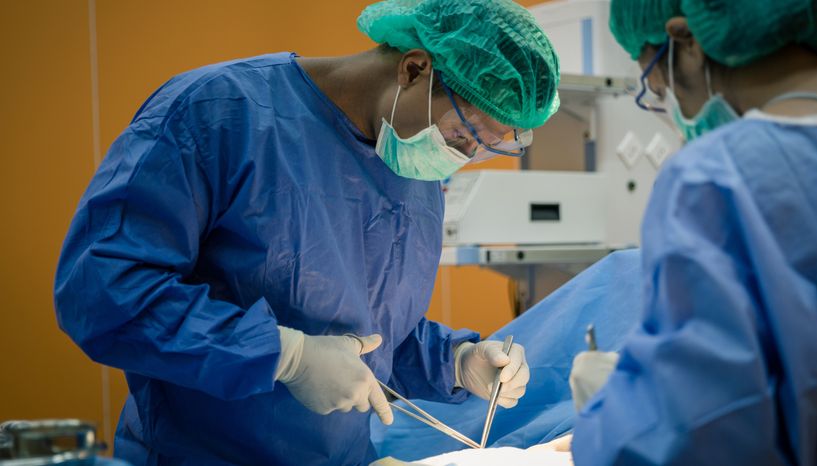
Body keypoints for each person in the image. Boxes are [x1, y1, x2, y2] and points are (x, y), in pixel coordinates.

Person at [53, 0, 558, 464]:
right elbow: (104, 292)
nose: (460, 158)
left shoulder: (411, 166)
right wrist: (284, 356)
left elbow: (368, 335)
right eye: (461, 135)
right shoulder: (216, 114)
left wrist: (456, 361)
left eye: (485, 149)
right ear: (414, 68)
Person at [565, 0, 817, 464]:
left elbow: (694, 435)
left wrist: (612, 410)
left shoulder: (717, 176)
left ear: (686, 41)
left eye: (655, 81)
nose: (664, 101)